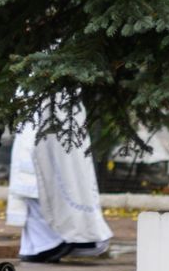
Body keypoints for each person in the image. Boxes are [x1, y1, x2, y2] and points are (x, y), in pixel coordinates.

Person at [6, 102, 112, 262]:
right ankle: (42, 244)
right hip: (36, 122)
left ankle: (58, 240)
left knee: (60, 177)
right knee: (35, 183)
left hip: (57, 121)